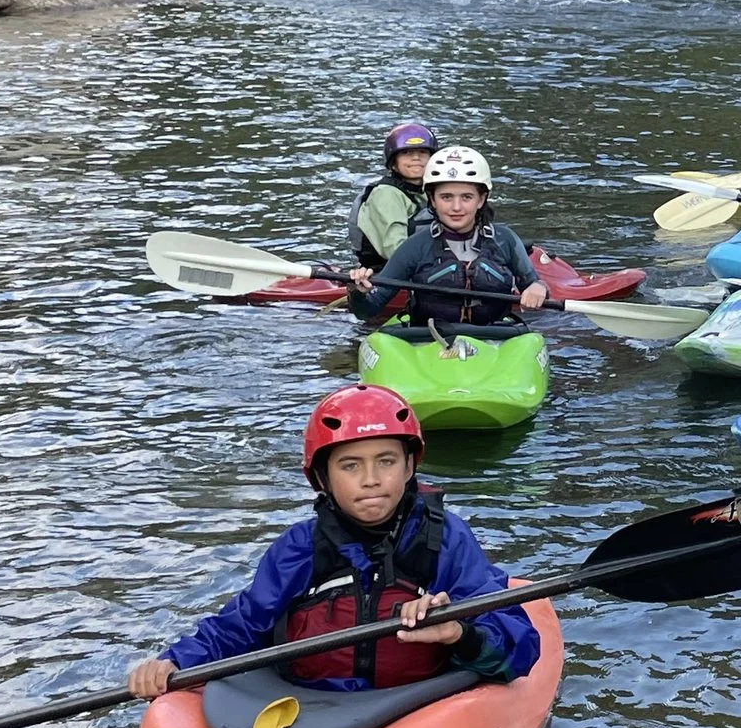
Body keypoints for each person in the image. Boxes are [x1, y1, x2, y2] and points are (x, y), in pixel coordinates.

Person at [126, 383, 541, 698]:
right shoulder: (299, 548)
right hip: (310, 709)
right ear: (323, 478)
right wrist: (174, 664)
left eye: (387, 461)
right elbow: (241, 627)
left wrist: (458, 632)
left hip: (416, 705)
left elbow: (520, 649)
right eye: (350, 465)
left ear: (410, 465)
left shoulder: (447, 539)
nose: (372, 479)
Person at [348, 146, 546, 329]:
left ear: (481, 200)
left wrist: (538, 288)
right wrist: (358, 293)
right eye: (446, 197)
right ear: (432, 200)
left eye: (467, 197)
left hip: (495, 338)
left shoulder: (505, 240)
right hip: (427, 340)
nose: (456, 207)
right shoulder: (414, 247)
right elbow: (366, 311)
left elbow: (532, 283)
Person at [348, 121, 441, 270]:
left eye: (423, 152)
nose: (416, 158)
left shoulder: (428, 191)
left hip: (423, 266)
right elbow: (396, 251)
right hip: (388, 274)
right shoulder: (386, 195)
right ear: (393, 163)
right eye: (407, 153)